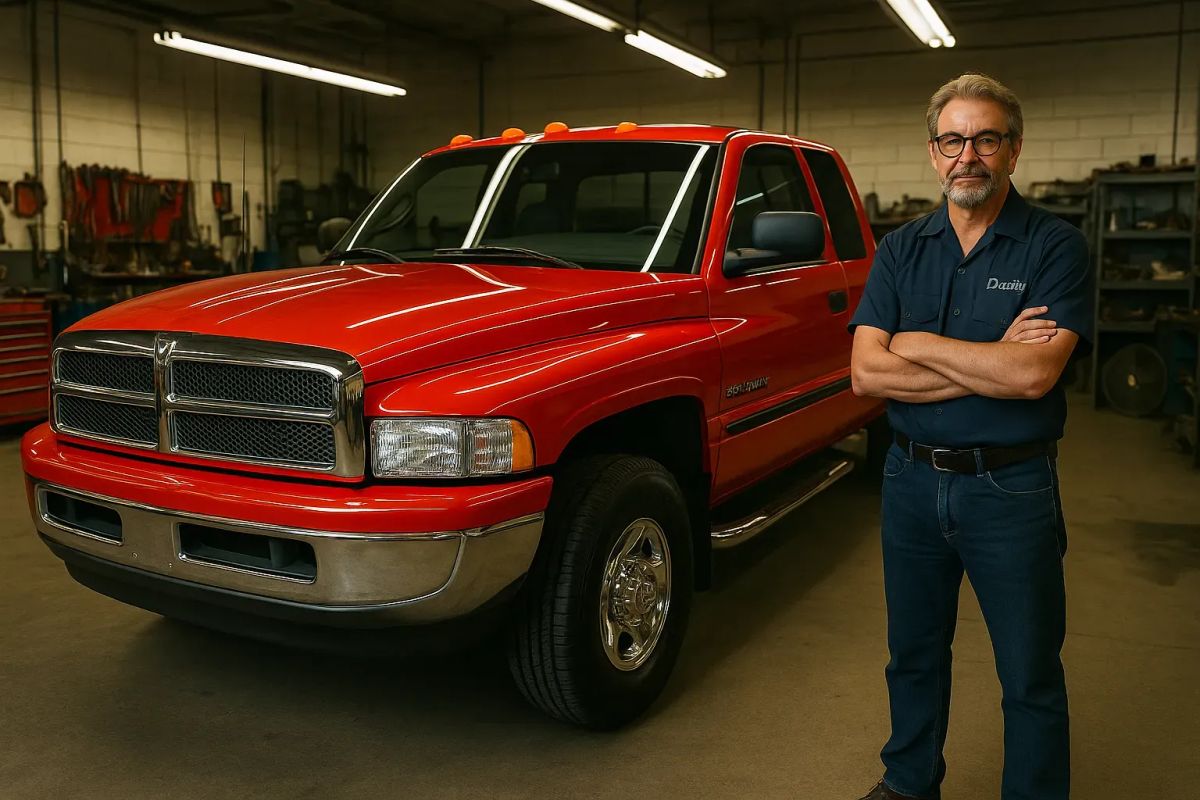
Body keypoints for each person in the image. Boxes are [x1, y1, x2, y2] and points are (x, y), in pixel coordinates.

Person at [849, 73, 1092, 800]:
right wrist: (987, 354)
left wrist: (913, 343)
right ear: (933, 153)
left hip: (1009, 488)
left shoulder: (1055, 247)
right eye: (953, 140)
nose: (969, 156)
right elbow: (865, 372)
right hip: (910, 482)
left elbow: (1032, 378)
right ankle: (908, 783)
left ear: (1013, 150)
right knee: (914, 655)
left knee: (1028, 670)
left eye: (986, 138)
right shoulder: (900, 250)